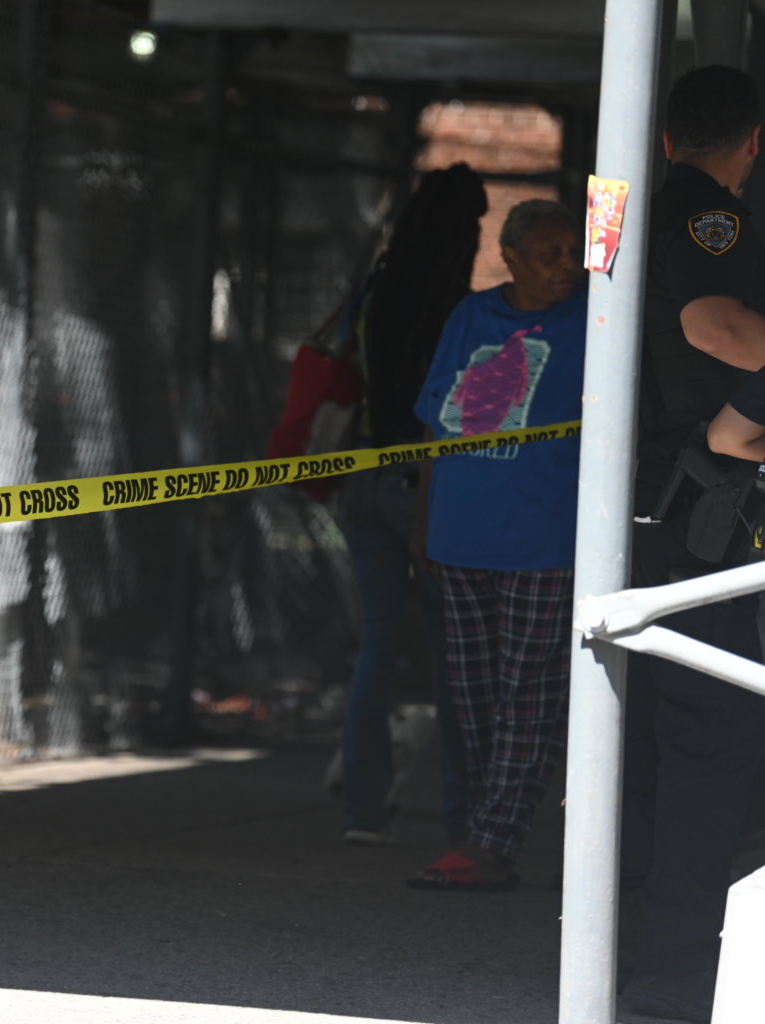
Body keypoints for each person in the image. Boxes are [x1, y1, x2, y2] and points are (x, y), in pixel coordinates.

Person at [620, 64, 765, 1024]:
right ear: (751, 144)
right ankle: (673, 976)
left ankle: (644, 954)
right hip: (702, 519)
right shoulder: (708, 217)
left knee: (662, 738)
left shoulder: (648, 215)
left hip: (665, 511)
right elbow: (718, 328)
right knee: (708, 740)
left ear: (670, 137)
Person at [406, 199, 586, 892]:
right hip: (461, 535)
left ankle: (491, 843)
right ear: (509, 258)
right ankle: (489, 828)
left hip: (545, 540)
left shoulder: (594, 319)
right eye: (549, 255)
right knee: (475, 697)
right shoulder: (470, 316)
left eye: (573, 252)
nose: (567, 267)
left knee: (528, 694)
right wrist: (424, 522)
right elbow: (434, 425)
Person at [331, 164, 484, 846]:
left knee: (377, 646)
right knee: (455, 655)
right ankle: (464, 819)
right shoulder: (453, 309)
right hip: (419, 485)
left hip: (359, 475)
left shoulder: (376, 288)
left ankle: (362, 811)